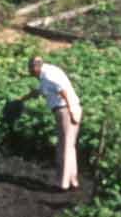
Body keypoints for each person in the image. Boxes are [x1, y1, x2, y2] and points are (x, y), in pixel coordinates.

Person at [30, 56, 82, 192]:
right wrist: (22, 99)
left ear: (36, 67)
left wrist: (71, 111)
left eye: (31, 70)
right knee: (69, 146)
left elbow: (62, 91)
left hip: (65, 109)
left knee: (64, 147)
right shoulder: (47, 72)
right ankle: (73, 181)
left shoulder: (47, 76)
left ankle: (63, 184)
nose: (30, 73)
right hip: (69, 108)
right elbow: (41, 91)